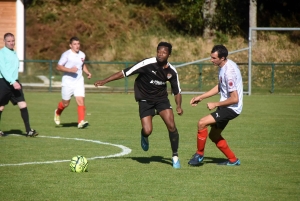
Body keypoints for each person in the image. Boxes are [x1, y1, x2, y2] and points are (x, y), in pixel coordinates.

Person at [94, 42, 183, 169]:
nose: (160, 54)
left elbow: (177, 91)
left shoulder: (171, 71)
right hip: (145, 99)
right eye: (159, 51)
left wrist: (178, 106)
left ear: (169, 54)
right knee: (148, 130)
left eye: (164, 52)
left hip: (161, 100)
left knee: (172, 125)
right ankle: (144, 135)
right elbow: (125, 72)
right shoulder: (147, 63)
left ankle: (175, 157)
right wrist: (104, 81)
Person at [188, 44, 243, 166]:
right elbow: (220, 86)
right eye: (211, 57)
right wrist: (200, 97)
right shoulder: (223, 66)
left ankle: (199, 155)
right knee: (214, 135)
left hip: (231, 108)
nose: (211, 60)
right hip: (225, 105)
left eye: (214, 58)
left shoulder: (229, 72)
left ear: (222, 58)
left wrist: (215, 103)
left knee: (202, 123)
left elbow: (235, 99)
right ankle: (233, 160)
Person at [0, 33, 38, 137]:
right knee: (1, 107)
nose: (11, 43)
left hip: (15, 83)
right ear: (4, 41)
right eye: (9, 41)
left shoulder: (14, 53)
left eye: (13, 41)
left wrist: (15, 81)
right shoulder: (1, 53)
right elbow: (3, 70)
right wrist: (13, 81)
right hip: (4, 83)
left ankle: (29, 130)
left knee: (23, 104)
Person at [54, 36, 92, 129]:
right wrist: (70, 70)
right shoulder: (66, 55)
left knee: (81, 101)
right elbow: (58, 67)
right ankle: (57, 112)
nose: (77, 46)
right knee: (65, 104)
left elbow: (82, 65)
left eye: (78, 44)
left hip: (78, 81)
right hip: (67, 82)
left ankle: (81, 122)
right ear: (70, 45)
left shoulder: (82, 54)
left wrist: (87, 72)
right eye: (74, 44)